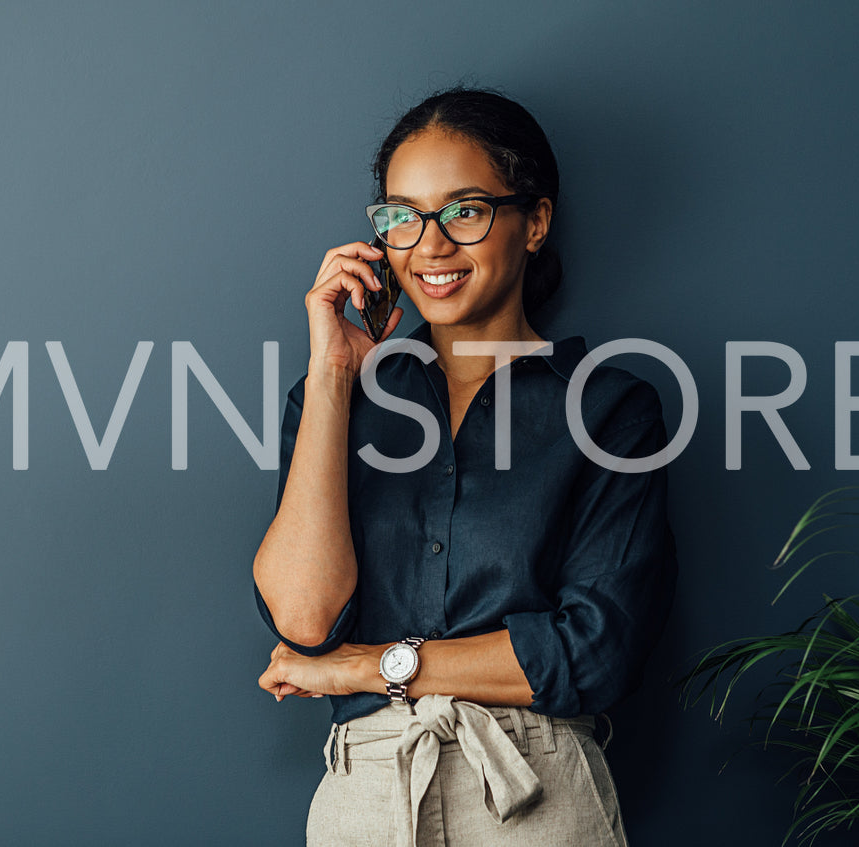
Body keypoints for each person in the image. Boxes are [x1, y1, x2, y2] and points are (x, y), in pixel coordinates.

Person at [253, 87, 677, 847]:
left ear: (534, 221)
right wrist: (330, 376)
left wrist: (363, 668)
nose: (430, 244)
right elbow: (304, 619)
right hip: (365, 793)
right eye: (402, 216)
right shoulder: (337, 400)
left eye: (465, 210)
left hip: (533, 789)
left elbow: (593, 650)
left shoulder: (609, 407)